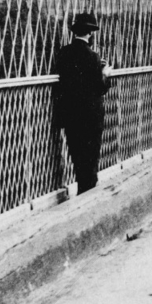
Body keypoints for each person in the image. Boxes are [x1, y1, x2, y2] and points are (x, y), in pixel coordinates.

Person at [55, 12, 112, 194]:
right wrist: (105, 74)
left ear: (75, 32)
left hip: (71, 114)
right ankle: (87, 192)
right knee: (91, 156)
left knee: (77, 155)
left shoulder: (63, 53)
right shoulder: (93, 57)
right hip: (91, 115)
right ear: (90, 33)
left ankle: (82, 187)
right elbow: (100, 88)